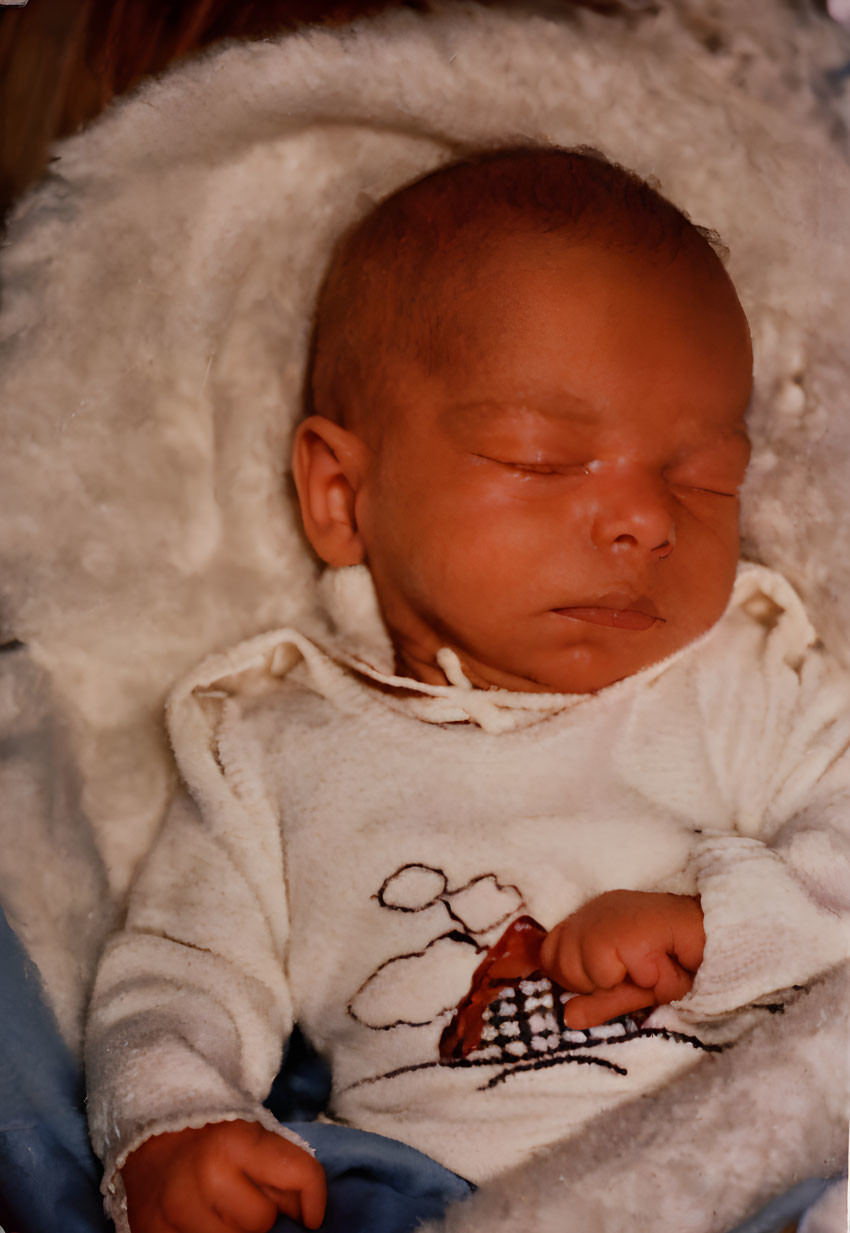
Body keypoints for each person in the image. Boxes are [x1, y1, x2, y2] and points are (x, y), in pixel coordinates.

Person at [85, 147, 850, 1233]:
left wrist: (725, 924)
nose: (648, 520)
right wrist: (168, 1125)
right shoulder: (276, 749)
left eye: (702, 478)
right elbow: (177, 971)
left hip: (748, 1176)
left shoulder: (743, 681)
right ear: (343, 495)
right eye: (542, 459)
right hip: (427, 1197)